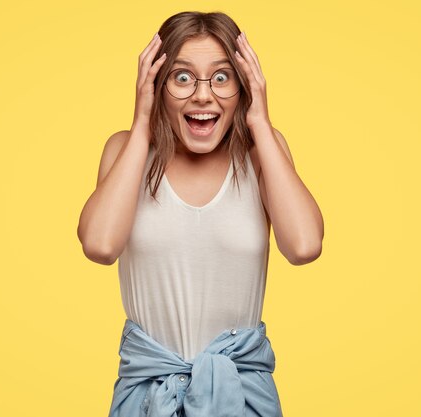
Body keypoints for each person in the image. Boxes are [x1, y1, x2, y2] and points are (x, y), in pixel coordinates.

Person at [77, 11, 324, 417]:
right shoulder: (125, 150)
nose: (203, 95)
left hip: (243, 396)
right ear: (157, 84)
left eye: (222, 77)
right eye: (183, 77)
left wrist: (260, 121)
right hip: (147, 397)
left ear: (244, 87)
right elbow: (100, 246)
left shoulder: (261, 153)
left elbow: (304, 245)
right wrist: (142, 124)